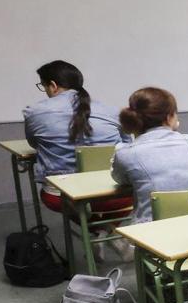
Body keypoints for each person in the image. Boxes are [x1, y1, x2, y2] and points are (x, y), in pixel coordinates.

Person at [24, 60, 125, 213]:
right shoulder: (111, 111)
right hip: (115, 194)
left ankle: (95, 229)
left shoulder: (35, 112)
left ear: (53, 85)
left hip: (62, 196)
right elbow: (126, 144)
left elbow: (34, 143)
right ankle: (102, 229)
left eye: (43, 86)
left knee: (67, 200)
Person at [110, 87, 188, 224]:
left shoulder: (125, 153)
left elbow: (120, 179)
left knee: (111, 240)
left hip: (150, 231)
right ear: (170, 117)